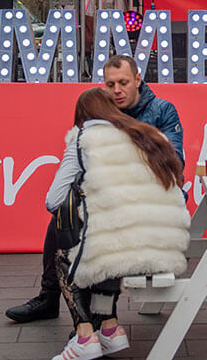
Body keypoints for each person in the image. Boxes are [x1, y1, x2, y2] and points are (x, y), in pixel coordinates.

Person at [6, 54, 184, 323]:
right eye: (110, 84)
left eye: (123, 82)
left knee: (89, 225)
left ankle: (92, 323)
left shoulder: (162, 110)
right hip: (110, 198)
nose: (116, 90)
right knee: (64, 216)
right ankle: (52, 297)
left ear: (138, 79)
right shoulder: (100, 112)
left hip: (147, 202)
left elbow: (175, 163)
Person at [45, 87, 189, 360]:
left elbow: (53, 201)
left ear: (82, 115)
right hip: (163, 247)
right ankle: (110, 329)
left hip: (124, 250)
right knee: (108, 242)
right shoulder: (146, 134)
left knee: (69, 253)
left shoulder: (82, 139)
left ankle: (85, 334)